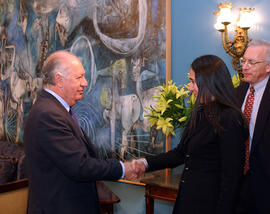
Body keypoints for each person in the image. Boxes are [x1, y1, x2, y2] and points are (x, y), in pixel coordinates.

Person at [24, 51, 137, 214]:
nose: (85, 83)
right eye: (79, 77)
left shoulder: (56, 109)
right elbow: (80, 166)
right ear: (59, 80)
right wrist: (123, 168)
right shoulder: (48, 114)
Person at [134, 55, 249, 214]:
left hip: (210, 205)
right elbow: (180, 154)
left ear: (209, 82)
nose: (189, 87)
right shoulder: (202, 112)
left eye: (193, 81)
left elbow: (231, 179)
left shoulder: (230, 118)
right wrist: (144, 163)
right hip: (188, 200)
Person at [236, 39, 270, 214]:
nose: (245, 67)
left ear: (268, 67)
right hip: (238, 182)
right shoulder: (240, 90)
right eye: (244, 61)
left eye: (252, 62)